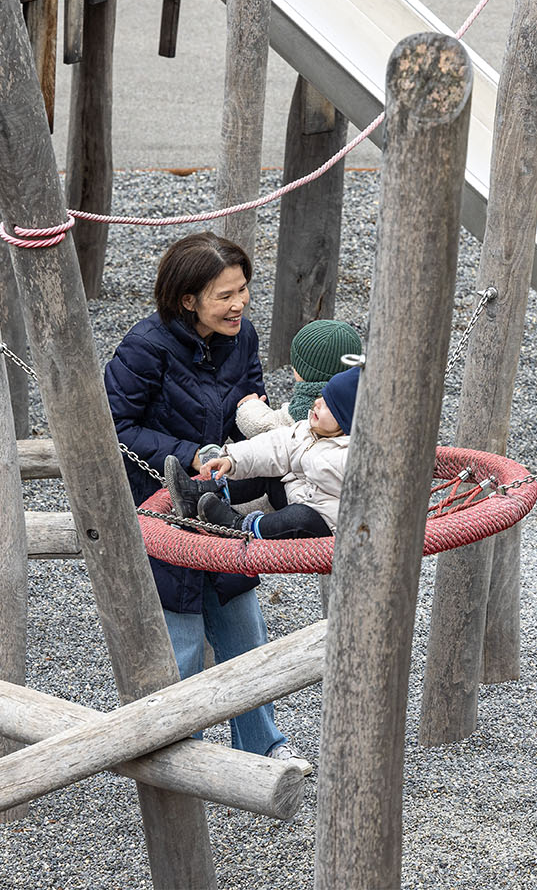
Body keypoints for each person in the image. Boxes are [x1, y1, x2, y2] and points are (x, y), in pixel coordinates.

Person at [104, 231, 303, 763]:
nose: (238, 304)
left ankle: (263, 748)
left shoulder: (243, 337)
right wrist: (191, 452)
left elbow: (249, 408)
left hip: (221, 504)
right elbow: (111, 425)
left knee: (246, 633)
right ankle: (174, 753)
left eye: (242, 291)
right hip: (158, 508)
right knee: (183, 643)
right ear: (187, 299)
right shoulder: (144, 347)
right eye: (224, 295)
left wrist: (285, 432)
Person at [190, 364, 359, 540]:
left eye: (328, 405)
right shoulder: (312, 429)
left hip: (324, 528)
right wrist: (232, 459)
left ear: (347, 423)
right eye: (321, 396)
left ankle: (238, 526)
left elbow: (313, 462)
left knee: (300, 517)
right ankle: (201, 493)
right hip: (302, 495)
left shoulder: (353, 457)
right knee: (268, 469)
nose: (317, 402)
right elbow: (275, 445)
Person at [234, 318, 363, 437]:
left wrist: (248, 406)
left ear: (304, 371)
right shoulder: (354, 402)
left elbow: (263, 425)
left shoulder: (307, 409)